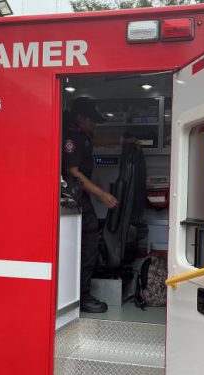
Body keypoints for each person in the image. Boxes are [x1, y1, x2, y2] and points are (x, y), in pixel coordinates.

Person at [62, 97, 118, 313]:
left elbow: (97, 138)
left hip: (77, 197)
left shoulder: (80, 132)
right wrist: (102, 194)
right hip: (73, 196)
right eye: (91, 120)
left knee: (87, 240)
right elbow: (73, 172)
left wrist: (124, 140)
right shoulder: (72, 137)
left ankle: (78, 292)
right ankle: (82, 295)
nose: (93, 124)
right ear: (80, 117)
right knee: (89, 241)